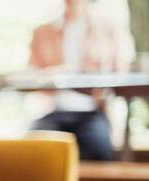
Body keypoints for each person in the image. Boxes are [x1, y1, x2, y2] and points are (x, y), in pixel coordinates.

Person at [28, 0, 135, 161]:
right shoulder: (43, 31)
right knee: (35, 151)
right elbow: (32, 76)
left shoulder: (108, 29)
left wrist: (102, 87)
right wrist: (53, 74)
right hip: (54, 111)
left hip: (93, 111)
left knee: (98, 148)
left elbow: (122, 73)